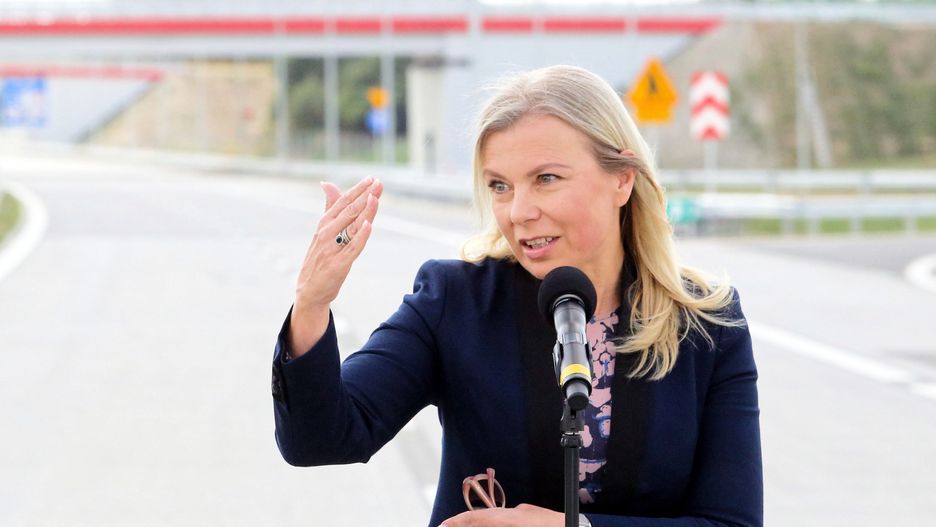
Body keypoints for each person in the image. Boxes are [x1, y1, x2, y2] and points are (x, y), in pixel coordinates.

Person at [271, 65, 762, 527]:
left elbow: (732, 520)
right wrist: (312, 304)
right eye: (500, 186)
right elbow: (319, 439)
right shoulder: (454, 301)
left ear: (622, 179)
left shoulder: (708, 326)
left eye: (546, 179)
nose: (518, 211)